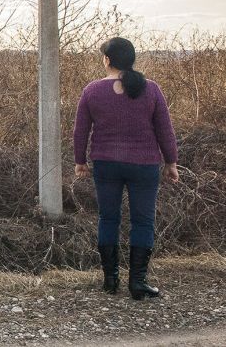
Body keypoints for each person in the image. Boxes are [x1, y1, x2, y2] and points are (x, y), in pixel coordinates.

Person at [73, 37, 179, 300]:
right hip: (144, 165)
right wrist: (171, 162)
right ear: (131, 60)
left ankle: (110, 280)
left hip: (106, 164)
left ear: (107, 60)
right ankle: (138, 283)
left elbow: (80, 131)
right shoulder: (151, 89)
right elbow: (164, 129)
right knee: (142, 221)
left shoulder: (92, 91)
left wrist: (80, 161)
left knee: (108, 219)